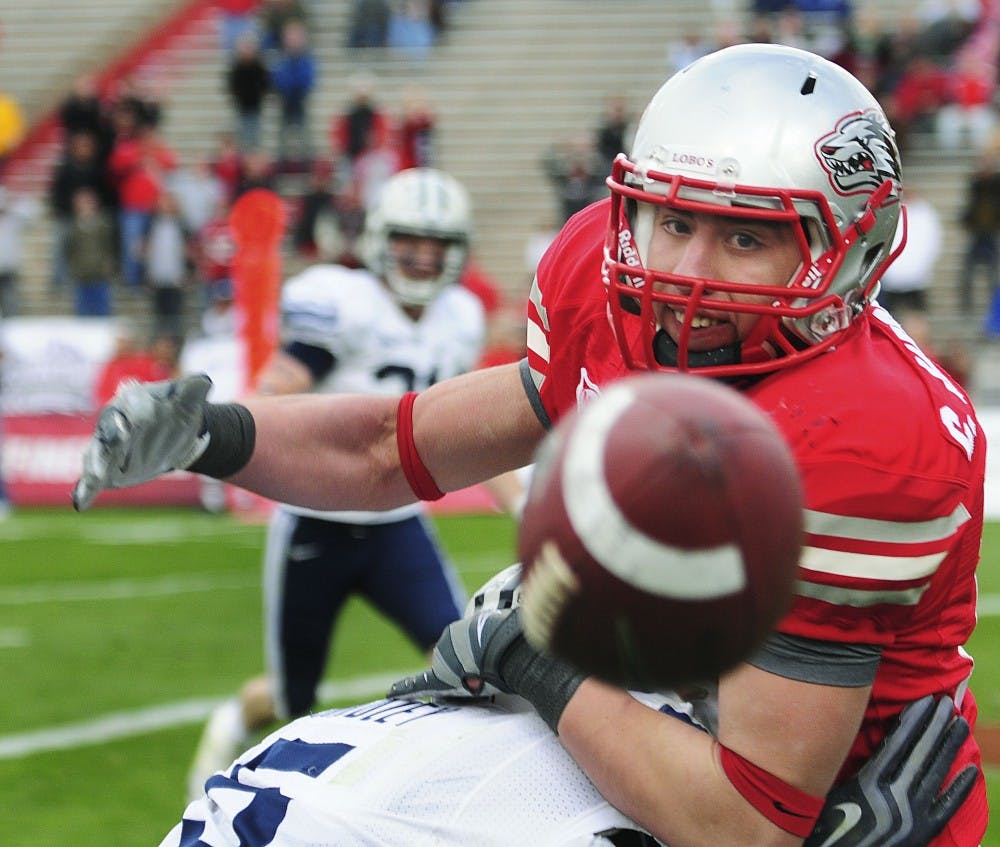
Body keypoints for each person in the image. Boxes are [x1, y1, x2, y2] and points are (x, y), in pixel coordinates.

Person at [74, 44, 986, 846]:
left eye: (746, 236)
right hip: (650, 713)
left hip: (802, 805)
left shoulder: (868, 441)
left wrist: (528, 652)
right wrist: (212, 432)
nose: (686, 276)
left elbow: (741, 825)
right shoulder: (604, 280)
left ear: (850, 252)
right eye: (674, 219)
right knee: (259, 809)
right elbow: (386, 453)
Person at [185, 167, 523, 801]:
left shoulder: (460, 316)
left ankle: (440, 798)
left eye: (437, 245)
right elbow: (284, 381)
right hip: (316, 521)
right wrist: (221, 426)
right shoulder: (342, 300)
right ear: (377, 239)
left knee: (465, 664)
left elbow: (466, 435)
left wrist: (526, 506)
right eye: (409, 242)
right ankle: (227, 727)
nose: (423, 258)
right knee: (290, 695)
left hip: (397, 524)